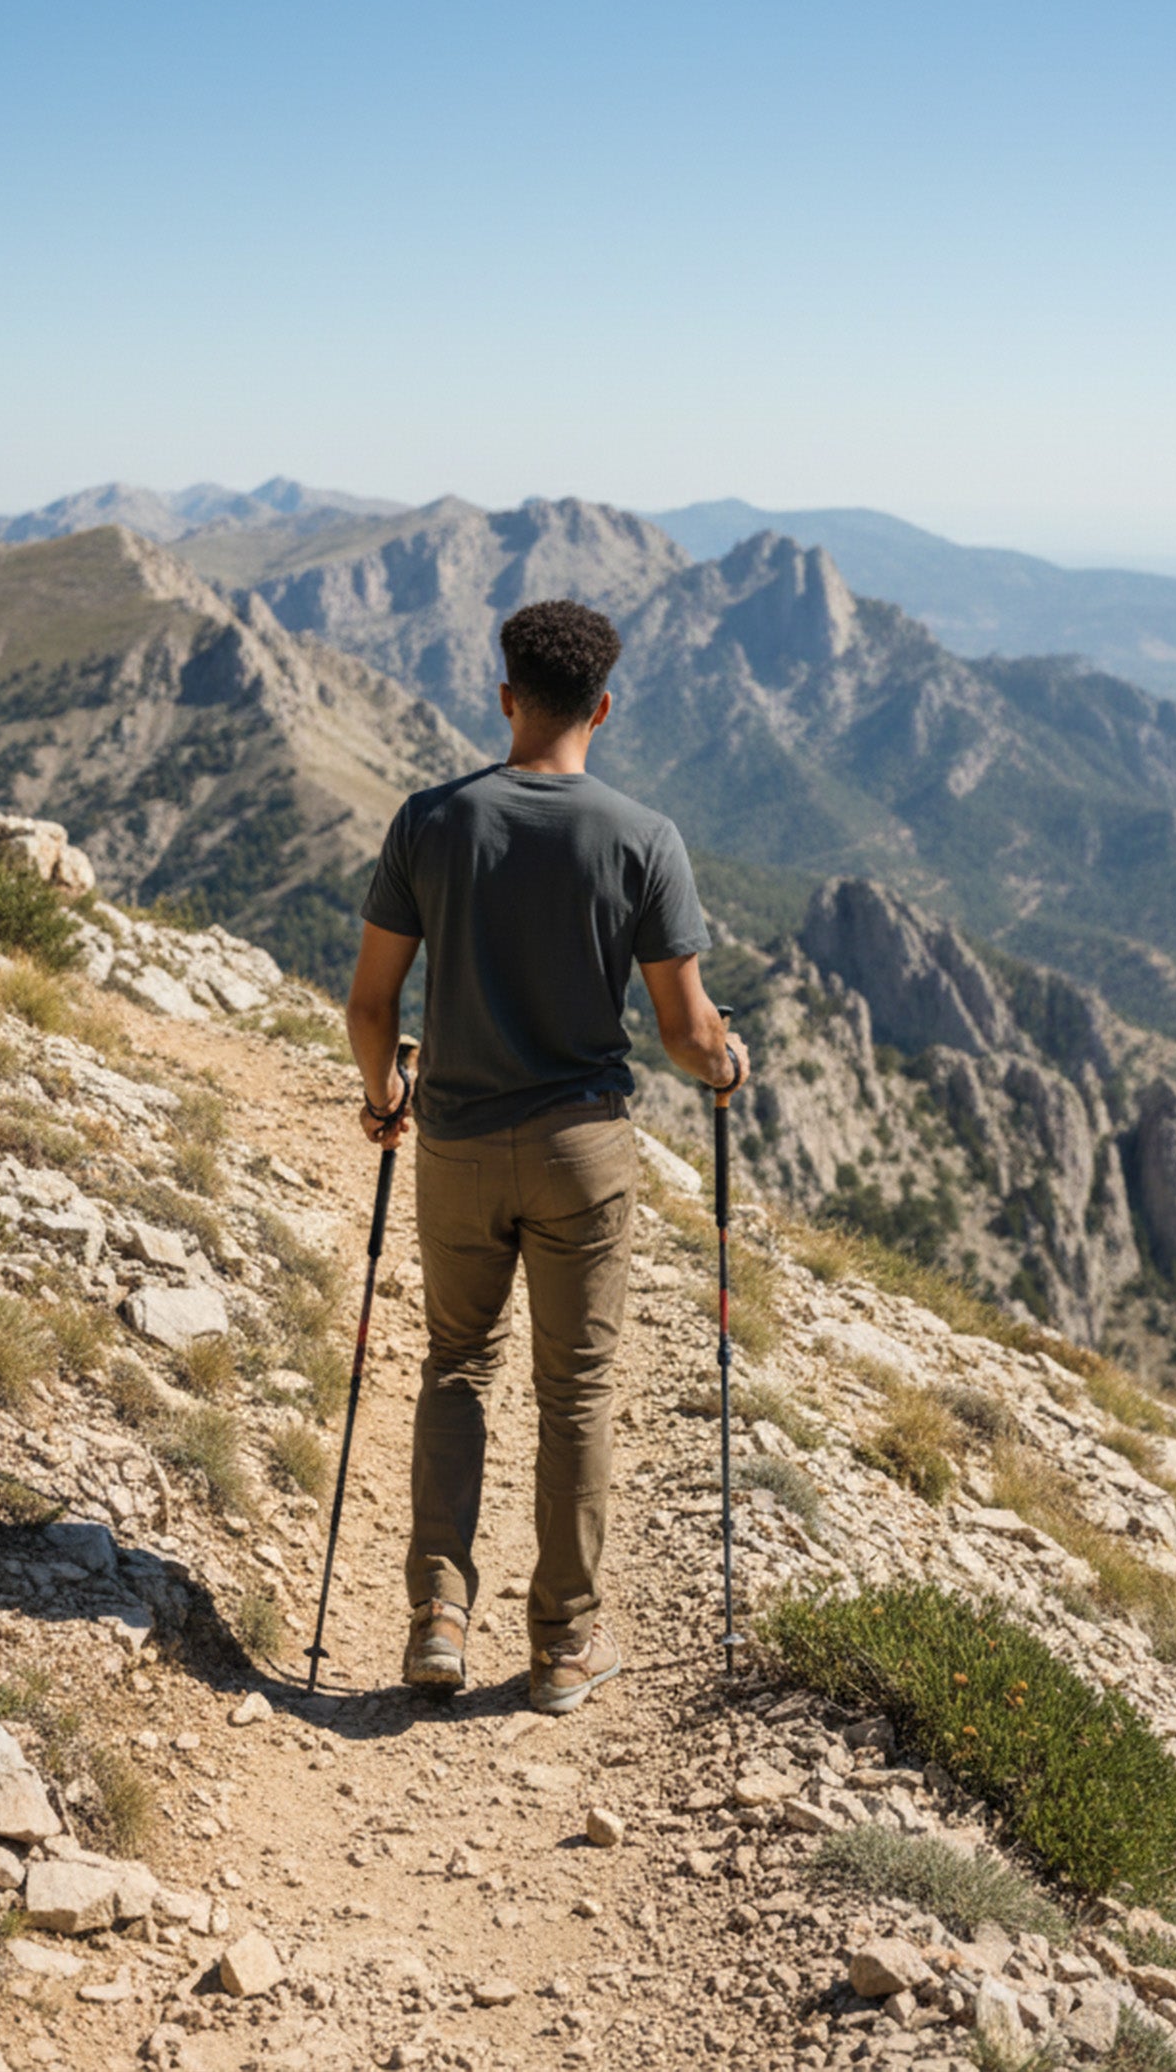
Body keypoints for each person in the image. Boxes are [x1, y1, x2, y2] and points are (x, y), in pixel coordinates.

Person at [345, 597, 750, 1714]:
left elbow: (371, 1006)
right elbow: (685, 1034)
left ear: (505, 697)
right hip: (582, 1154)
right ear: (602, 709)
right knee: (574, 1390)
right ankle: (564, 1643)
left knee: (456, 1366)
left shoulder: (429, 821)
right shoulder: (643, 838)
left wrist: (384, 1100)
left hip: (459, 1145)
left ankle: (437, 1614)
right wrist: (727, 1065)